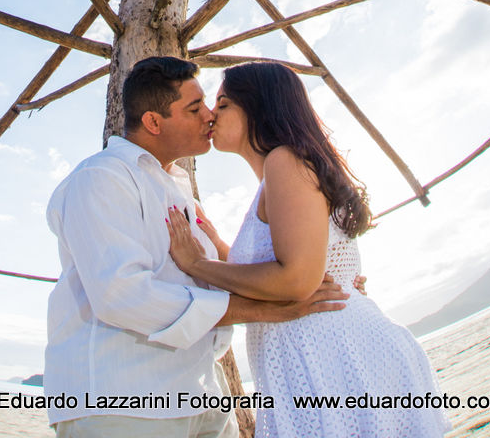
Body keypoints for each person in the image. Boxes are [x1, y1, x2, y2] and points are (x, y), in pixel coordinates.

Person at [44, 56, 355, 437]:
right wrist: (264, 309)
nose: (209, 115)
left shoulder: (177, 189)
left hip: (202, 394)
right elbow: (120, 295)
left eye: (214, 104)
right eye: (196, 108)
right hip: (123, 402)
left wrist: (335, 278)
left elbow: (229, 276)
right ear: (154, 122)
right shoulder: (101, 178)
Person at [166, 61, 450, 438]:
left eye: (224, 103)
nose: (212, 114)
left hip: (334, 361)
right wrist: (219, 246)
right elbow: (276, 268)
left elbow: (297, 279)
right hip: (321, 360)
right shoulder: (276, 175)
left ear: (258, 107)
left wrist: (198, 264)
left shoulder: (285, 161)